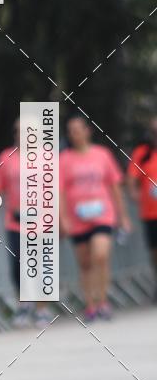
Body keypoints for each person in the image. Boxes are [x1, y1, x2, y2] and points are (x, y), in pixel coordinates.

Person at [59, 115, 131, 322]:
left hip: (102, 214)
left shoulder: (102, 155)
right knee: (85, 263)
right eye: (71, 130)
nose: (75, 134)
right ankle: (90, 305)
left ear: (87, 131)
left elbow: (114, 186)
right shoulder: (64, 160)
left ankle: (103, 301)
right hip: (77, 217)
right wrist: (63, 218)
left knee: (100, 255)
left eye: (78, 129)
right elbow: (60, 191)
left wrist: (123, 215)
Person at [0, 118, 53, 327]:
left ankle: (42, 309)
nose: (20, 134)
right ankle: (24, 304)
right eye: (17, 131)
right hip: (16, 221)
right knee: (18, 265)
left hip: (42, 221)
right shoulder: (6, 157)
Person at [127, 116, 157, 298]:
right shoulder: (143, 153)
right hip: (150, 213)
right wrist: (133, 192)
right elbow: (131, 177)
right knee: (155, 251)